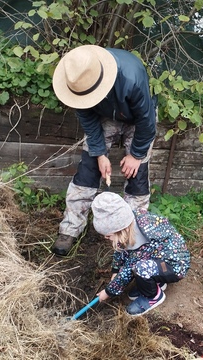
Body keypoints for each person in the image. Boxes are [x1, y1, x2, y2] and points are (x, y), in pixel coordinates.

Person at [50, 45, 158, 256]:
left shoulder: (131, 77)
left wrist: (136, 156)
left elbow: (147, 123)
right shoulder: (76, 83)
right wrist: (100, 154)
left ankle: (131, 233)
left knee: (138, 174)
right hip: (105, 115)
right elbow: (89, 123)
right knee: (88, 168)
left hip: (138, 119)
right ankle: (70, 228)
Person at [91, 192, 190, 316]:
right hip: (158, 257)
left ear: (121, 229)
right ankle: (156, 282)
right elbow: (120, 250)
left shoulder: (141, 241)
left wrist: (108, 292)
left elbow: (127, 271)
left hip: (174, 264)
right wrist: (115, 270)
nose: (106, 238)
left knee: (141, 268)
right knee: (139, 265)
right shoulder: (130, 222)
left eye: (108, 235)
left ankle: (153, 296)